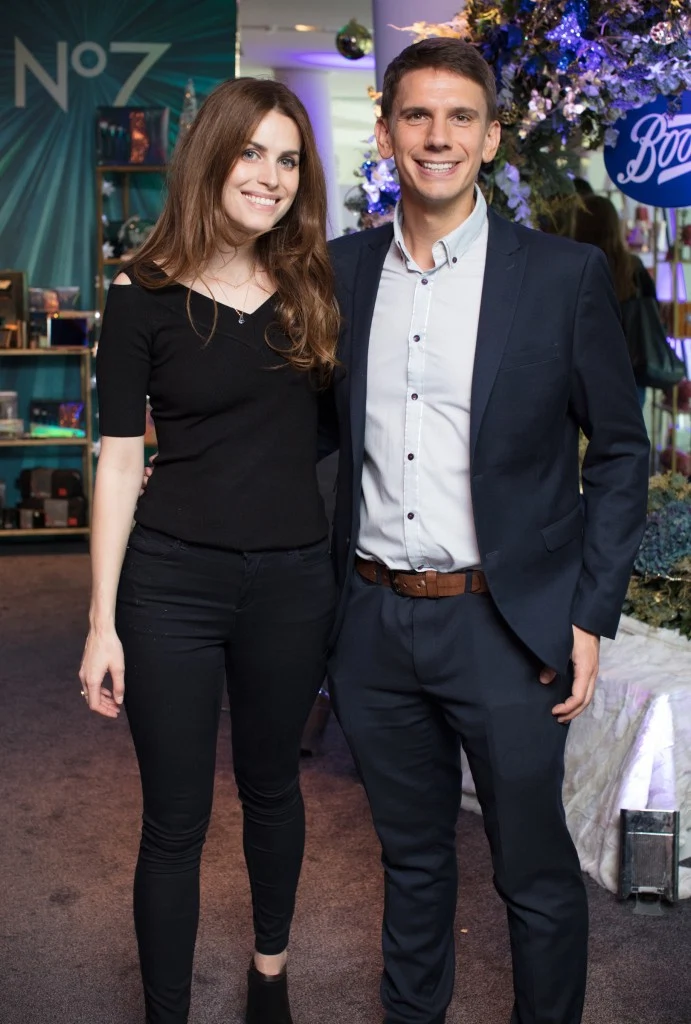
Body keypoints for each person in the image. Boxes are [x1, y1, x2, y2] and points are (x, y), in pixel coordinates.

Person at [324, 38, 650, 1024]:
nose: (438, 136)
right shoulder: (337, 272)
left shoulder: (560, 275)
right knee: (411, 861)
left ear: (492, 135)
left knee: (533, 872)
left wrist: (588, 612)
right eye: (417, 115)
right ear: (387, 133)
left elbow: (619, 453)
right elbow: (309, 441)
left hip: (507, 626)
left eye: (460, 116)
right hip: (373, 623)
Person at [79, 77, 339, 1024]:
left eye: (288, 159)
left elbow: (337, 435)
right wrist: (101, 622)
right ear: (211, 157)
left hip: (291, 582)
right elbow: (118, 462)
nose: (270, 176)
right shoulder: (139, 293)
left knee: (272, 790)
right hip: (171, 585)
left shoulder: (316, 288)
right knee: (174, 820)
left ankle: (270, 980)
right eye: (251, 152)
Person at [573, 192, 658, 407]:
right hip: (630, 369)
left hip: (584, 372)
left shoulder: (574, 266)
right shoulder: (632, 267)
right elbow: (652, 308)